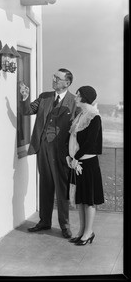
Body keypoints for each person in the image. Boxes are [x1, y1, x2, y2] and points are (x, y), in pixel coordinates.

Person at [20, 68, 80, 239]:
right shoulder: (45, 96)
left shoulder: (74, 101)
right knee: (45, 186)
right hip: (43, 148)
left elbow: (79, 128)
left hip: (61, 152)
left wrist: (75, 154)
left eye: (57, 78)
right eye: (53, 76)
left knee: (62, 189)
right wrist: (24, 98)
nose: (53, 79)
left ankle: (65, 226)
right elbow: (27, 111)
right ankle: (44, 221)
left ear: (67, 83)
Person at [67, 86, 104, 246]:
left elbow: (89, 143)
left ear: (85, 98)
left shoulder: (94, 117)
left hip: (88, 163)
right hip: (77, 162)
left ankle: (89, 233)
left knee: (89, 199)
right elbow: (73, 140)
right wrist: (70, 157)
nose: (75, 98)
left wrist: (76, 158)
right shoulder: (80, 116)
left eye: (78, 95)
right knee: (81, 199)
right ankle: (82, 231)